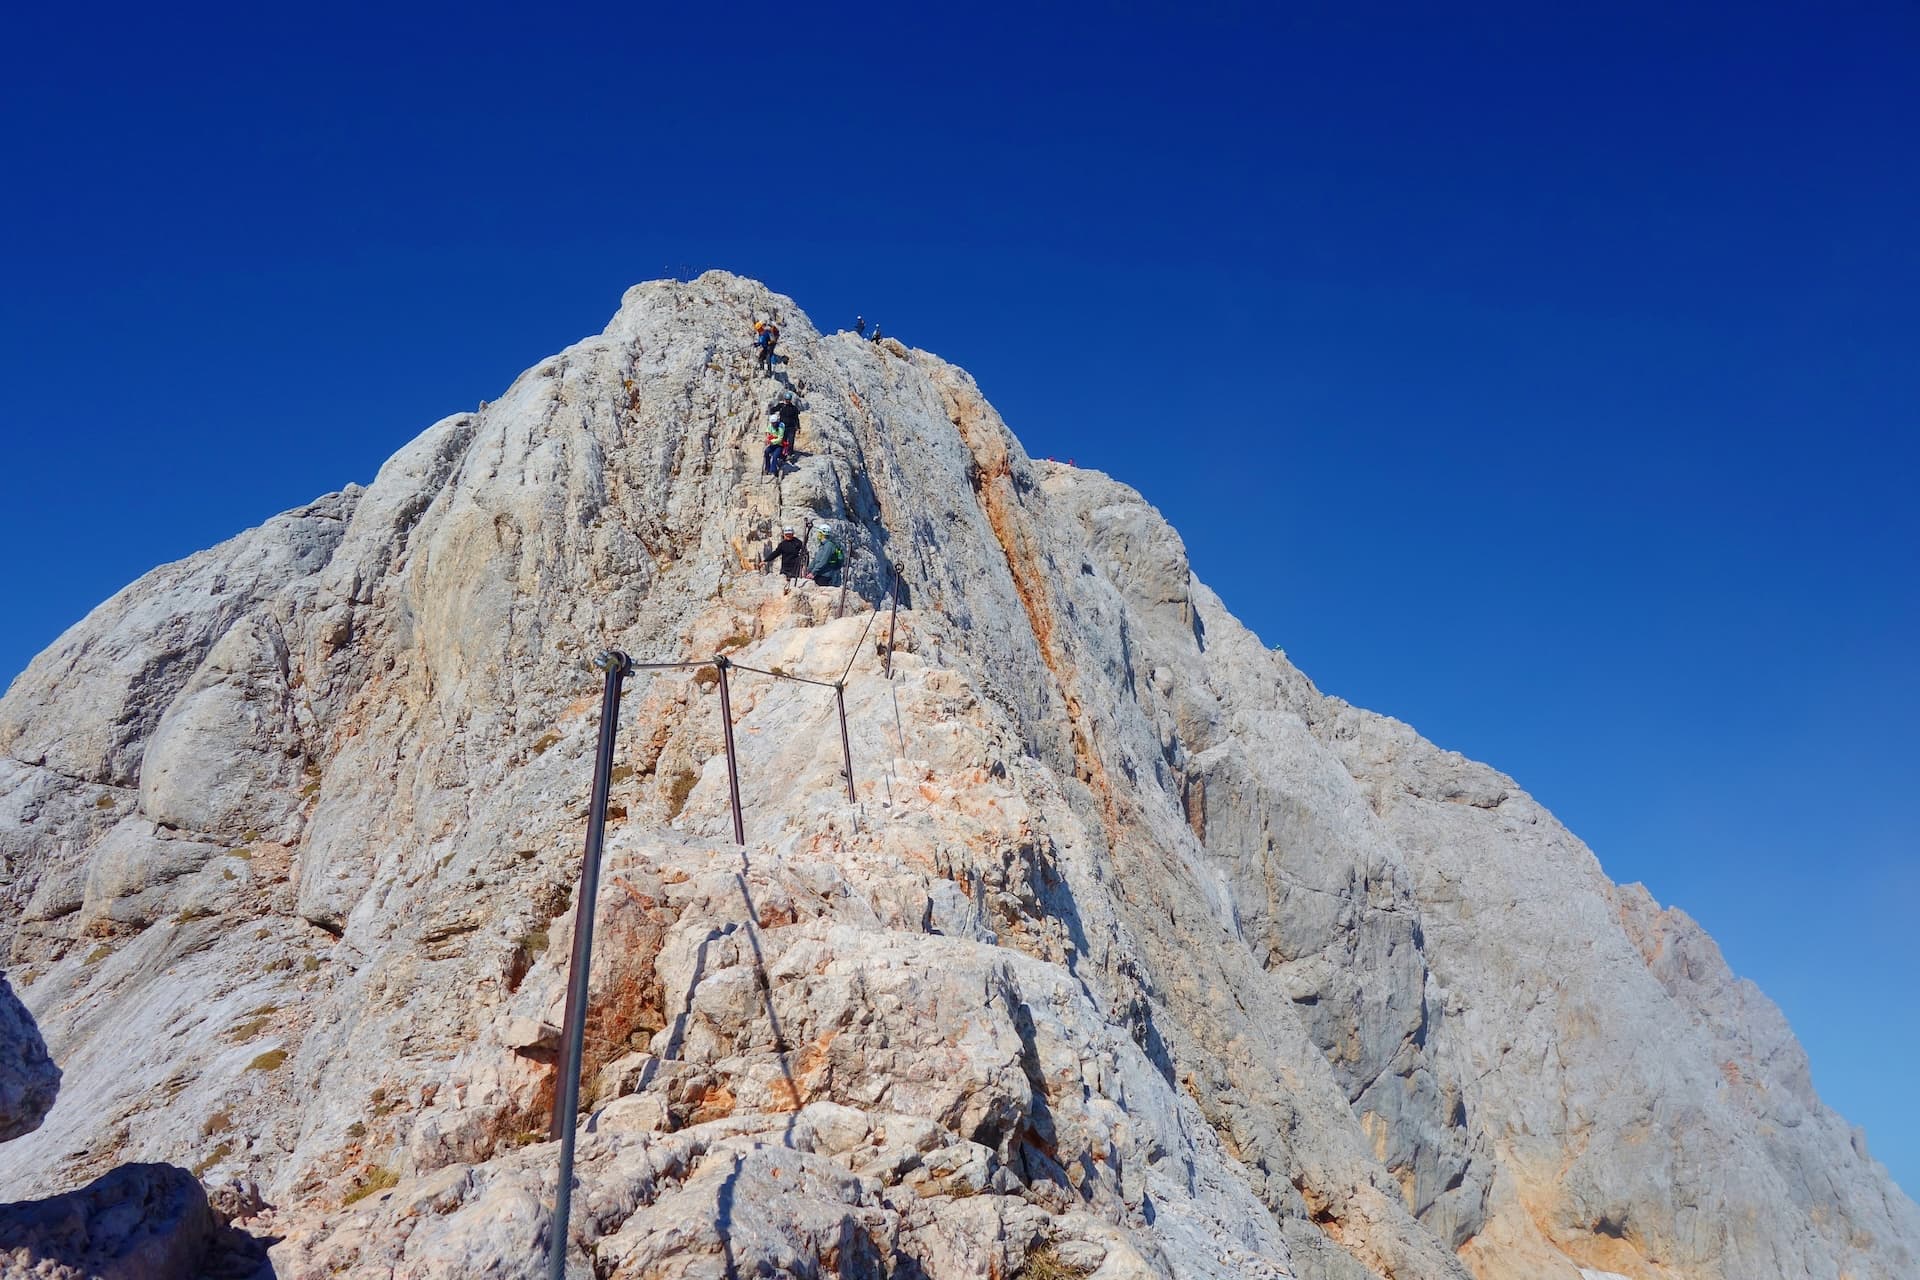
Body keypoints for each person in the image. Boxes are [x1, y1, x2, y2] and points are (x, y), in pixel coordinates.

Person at [764, 390, 800, 473]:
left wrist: (798, 427)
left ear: (790, 400)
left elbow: (796, 418)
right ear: (784, 399)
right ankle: (782, 456)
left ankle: (790, 455)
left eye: (788, 399)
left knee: (790, 441)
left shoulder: (793, 408)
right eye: (786, 399)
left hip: (791, 427)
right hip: (782, 427)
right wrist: (770, 409)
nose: (787, 401)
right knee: (783, 442)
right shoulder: (781, 406)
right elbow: (774, 409)